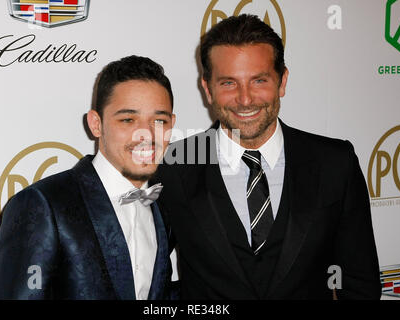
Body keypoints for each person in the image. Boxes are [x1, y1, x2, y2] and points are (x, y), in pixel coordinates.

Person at [154, 14, 381, 299]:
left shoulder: (335, 163)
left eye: (259, 80)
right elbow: (151, 279)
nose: (245, 99)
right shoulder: (174, 163)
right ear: (207, 89)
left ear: (282, 81)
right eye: (228, 83)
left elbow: (360, 283)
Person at [0, 55, 176, 300]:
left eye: (159, 120)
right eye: (128, 120)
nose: (147, 134)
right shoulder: (43, 205)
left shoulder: (165, 205)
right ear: (96, 124)